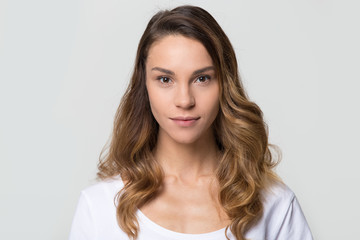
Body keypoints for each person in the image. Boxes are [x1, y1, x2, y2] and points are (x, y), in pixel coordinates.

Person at [69, 5, 313, 240]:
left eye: (202, 78)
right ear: (144, 85)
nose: (184, 100)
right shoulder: (99, 207)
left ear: (224, 86)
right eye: (165, 79)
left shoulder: (274, 205)